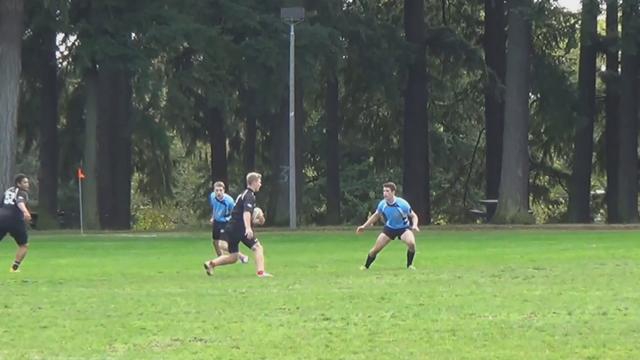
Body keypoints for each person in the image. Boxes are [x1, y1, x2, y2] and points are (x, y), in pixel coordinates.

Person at [203, 172, 272, 278]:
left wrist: (258, 220)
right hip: (240, 228)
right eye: (259, 182)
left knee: (234, 257)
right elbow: (246, 213)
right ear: (253, 182)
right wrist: (248, 228)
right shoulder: (249, 196)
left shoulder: (244, 194)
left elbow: (244, 214)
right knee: (257, 247)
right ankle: (261, 273)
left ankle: (211, 264)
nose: (260, 184)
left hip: (232, 227)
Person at [356, 182, 419, 270]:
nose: (385, 193)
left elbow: (413, 215)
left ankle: (410, 265)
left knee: (411, 243)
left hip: (403, 228)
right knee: (375, 250)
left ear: (393, 192)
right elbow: (376, 215)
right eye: (384, 191)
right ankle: (366, 266)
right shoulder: (382, 204)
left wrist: (415, 225)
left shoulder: (402, 204)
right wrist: (364, 226)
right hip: (390, 228)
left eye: (387, 191)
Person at [209, 181, 249, 264]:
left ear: (224, 190)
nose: (218, 192)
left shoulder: (229, 201)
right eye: (216, 190)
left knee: (223, 245)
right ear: (214, 191)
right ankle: (220, 258)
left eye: (220, 190)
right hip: (217, 222)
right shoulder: (212, 196)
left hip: (225, 222)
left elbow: (234, 212)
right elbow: (214, 207)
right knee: (215, 241)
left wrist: (230, 222)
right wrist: (213, 217)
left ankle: (241, 256)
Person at [0, 174, 32, 272]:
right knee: (24, 245)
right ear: (18, 183)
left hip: (1, 218)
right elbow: (20, 202)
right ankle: (14, 268)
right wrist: (25, 212)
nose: (27, 184)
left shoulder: (8, 190)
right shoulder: (22, 193)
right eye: (25, 182)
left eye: (27, 182)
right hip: (15, 220)